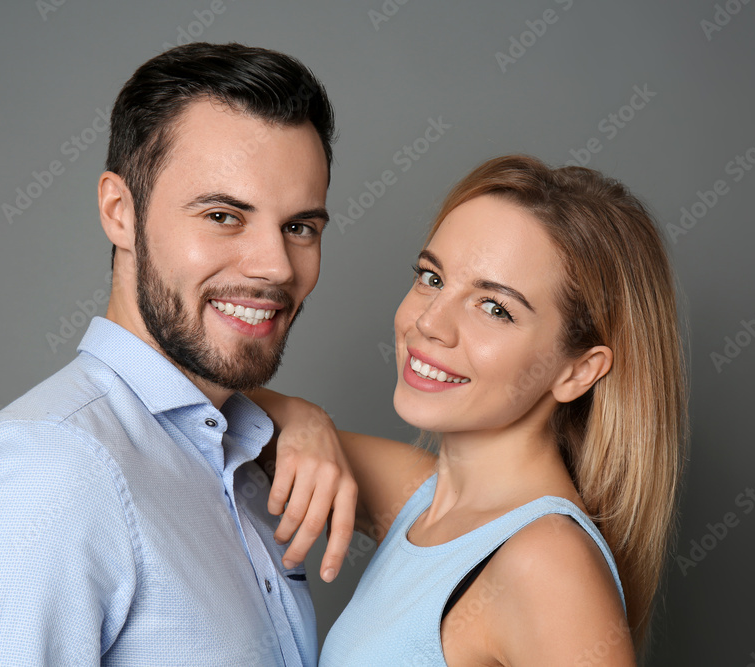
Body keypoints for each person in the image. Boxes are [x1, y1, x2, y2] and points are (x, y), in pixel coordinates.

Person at [0, 43, 358, 666]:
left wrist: (295, 416)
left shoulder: (242, 455)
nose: (275, 267)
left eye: (300, 227)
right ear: (120, 213)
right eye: (223, 215)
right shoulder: (52, 471)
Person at [253, 155, 687, 665]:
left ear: (578, 371)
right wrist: (307, 418)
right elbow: (229, 416)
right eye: (433, 278)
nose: (431, 322)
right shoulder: (424, 497)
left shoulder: (545, 563)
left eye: (494, 308)